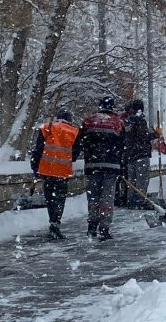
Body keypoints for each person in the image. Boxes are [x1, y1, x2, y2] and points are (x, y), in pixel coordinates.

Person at [29, 108, 81, 240]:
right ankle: (56, 223)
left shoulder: (47, 128)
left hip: (47, 170)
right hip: (63, 171)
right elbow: (74, 155)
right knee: (60, 198)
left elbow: (39, 149)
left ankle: (52, 222)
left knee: (50, 198)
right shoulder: (74, 132)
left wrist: (35, 167)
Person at [78, 96, 125, 240]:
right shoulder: (118, 123)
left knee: (93, 197)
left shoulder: (88, 121)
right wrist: (120, 165)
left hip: (93, 165)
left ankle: (92, 226)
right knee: (107, 198)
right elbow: (123, 145)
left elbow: (80, 141)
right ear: (112, 107)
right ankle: (104, 228)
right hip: (111, 166)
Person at [123, 99, 153, 209]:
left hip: (130, 155)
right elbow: (143, 137)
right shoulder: (139, 120)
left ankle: (131, 200)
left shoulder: (127, 121)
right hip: (141, 154)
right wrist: (155, 135)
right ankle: (140, 200)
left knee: (132, 179)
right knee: (142, 179)